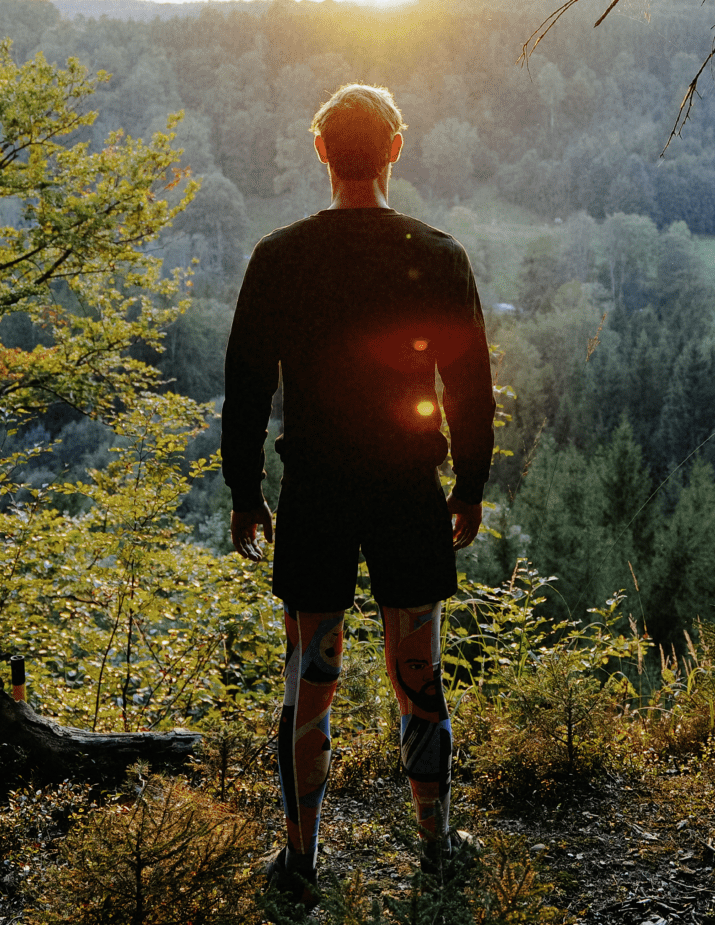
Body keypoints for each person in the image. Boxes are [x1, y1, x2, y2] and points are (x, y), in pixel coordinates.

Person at [222, 82, 493, 911]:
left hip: (313, 491)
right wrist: (470, 484)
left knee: (309, 674)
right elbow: (470, 384)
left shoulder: (278, 256)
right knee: (419, 670)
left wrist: (245, 491)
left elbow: (244, 387)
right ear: (394, 150)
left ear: (319, 152)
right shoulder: (437, 252)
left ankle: (300, 857)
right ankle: (437, 843)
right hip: (409, 487)